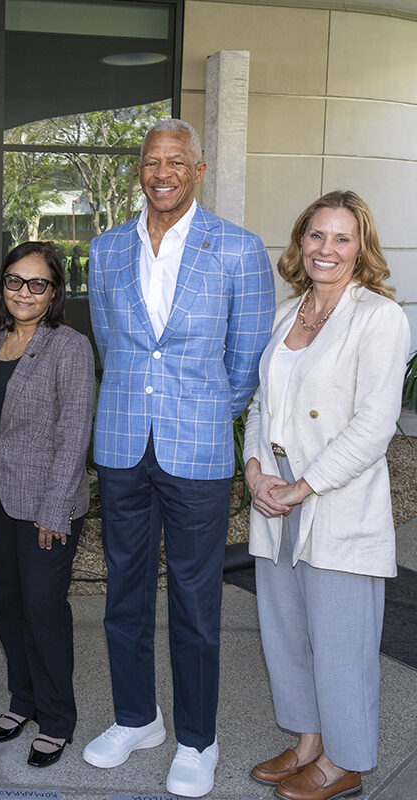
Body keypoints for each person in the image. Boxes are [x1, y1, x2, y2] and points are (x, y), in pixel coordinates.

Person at [84, 118, 275, 797]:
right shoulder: (106, 250)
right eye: (151, 159)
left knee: (197, 602)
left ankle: (199, 739)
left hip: (196, 452)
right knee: (123, 593)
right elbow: (113, 344)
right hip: (122, 445)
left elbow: (247, 363)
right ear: (140, 169)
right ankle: (137, 718)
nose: (162, 171)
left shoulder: (238, 249)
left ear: (197, 170)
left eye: (176, 160)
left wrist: (199, 419)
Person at [244, 191, 408, 800]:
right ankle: (309, 743)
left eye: (341, 239)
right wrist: (257, 472)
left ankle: (347, 761)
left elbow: (373, 425)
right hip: (277, 500)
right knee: (286, 633)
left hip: (333, 501)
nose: (326, 249)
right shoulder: (289, 313)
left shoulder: (379, 318)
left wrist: (304, 486)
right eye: (316, 236)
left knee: (342, 642)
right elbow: (264, 404)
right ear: (300, 241)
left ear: (361, 247)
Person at [0, 241, 95, 768]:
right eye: (15, 281)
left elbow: (73, 432)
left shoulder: (70, 346)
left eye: (37, 283)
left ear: (54, 292)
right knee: (10, 606)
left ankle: (57, 718)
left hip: (48, 503)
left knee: (44, 609)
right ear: (3, 287)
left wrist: (56, 507)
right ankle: (23, 700)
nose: (25, 292)